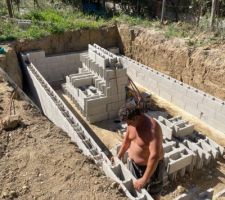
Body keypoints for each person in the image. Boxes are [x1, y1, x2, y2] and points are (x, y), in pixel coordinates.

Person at [117, 100, 164, 200]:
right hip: (135, 166)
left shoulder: (152, 129)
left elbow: (154, 156)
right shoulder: (131, 124)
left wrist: (144, 179)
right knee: (137, 192)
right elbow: (126, 141)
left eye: (129, 122)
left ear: (137, 117)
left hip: (152, 169)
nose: (128, 125)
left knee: (153, 194)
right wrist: (119, 156)